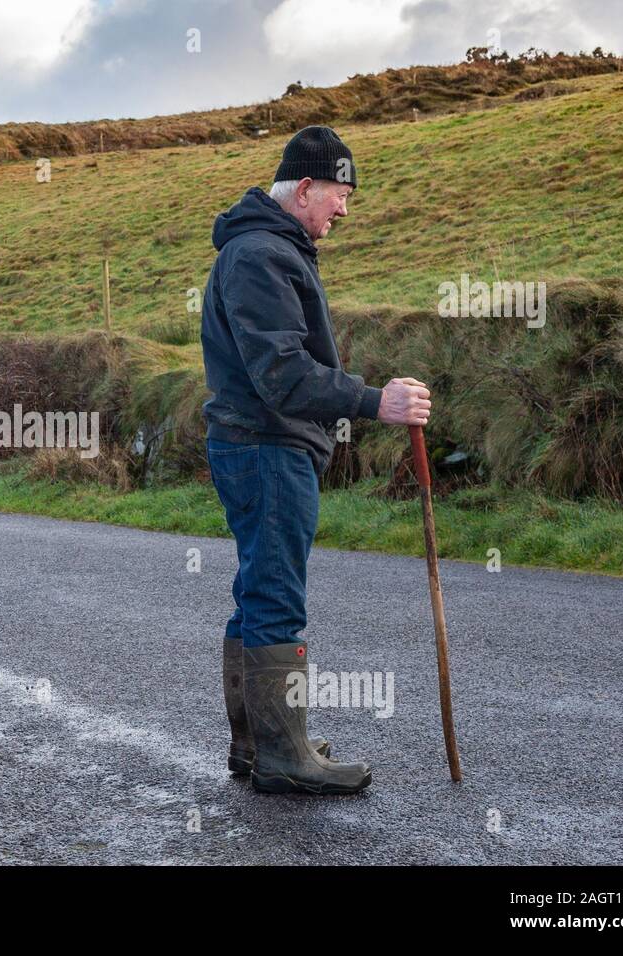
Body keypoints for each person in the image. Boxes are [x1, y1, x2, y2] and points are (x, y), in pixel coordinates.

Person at [200, 125, 431, 795]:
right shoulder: (262, 256)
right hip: (266, 445)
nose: (344, 210)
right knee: (274, 597)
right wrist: (370, 401)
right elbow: (283, 374)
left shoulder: (266, 249)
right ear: (304, 189)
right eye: (340, 195)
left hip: (256, 443)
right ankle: (283, 756)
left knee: (256, 595)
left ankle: (261, 742)